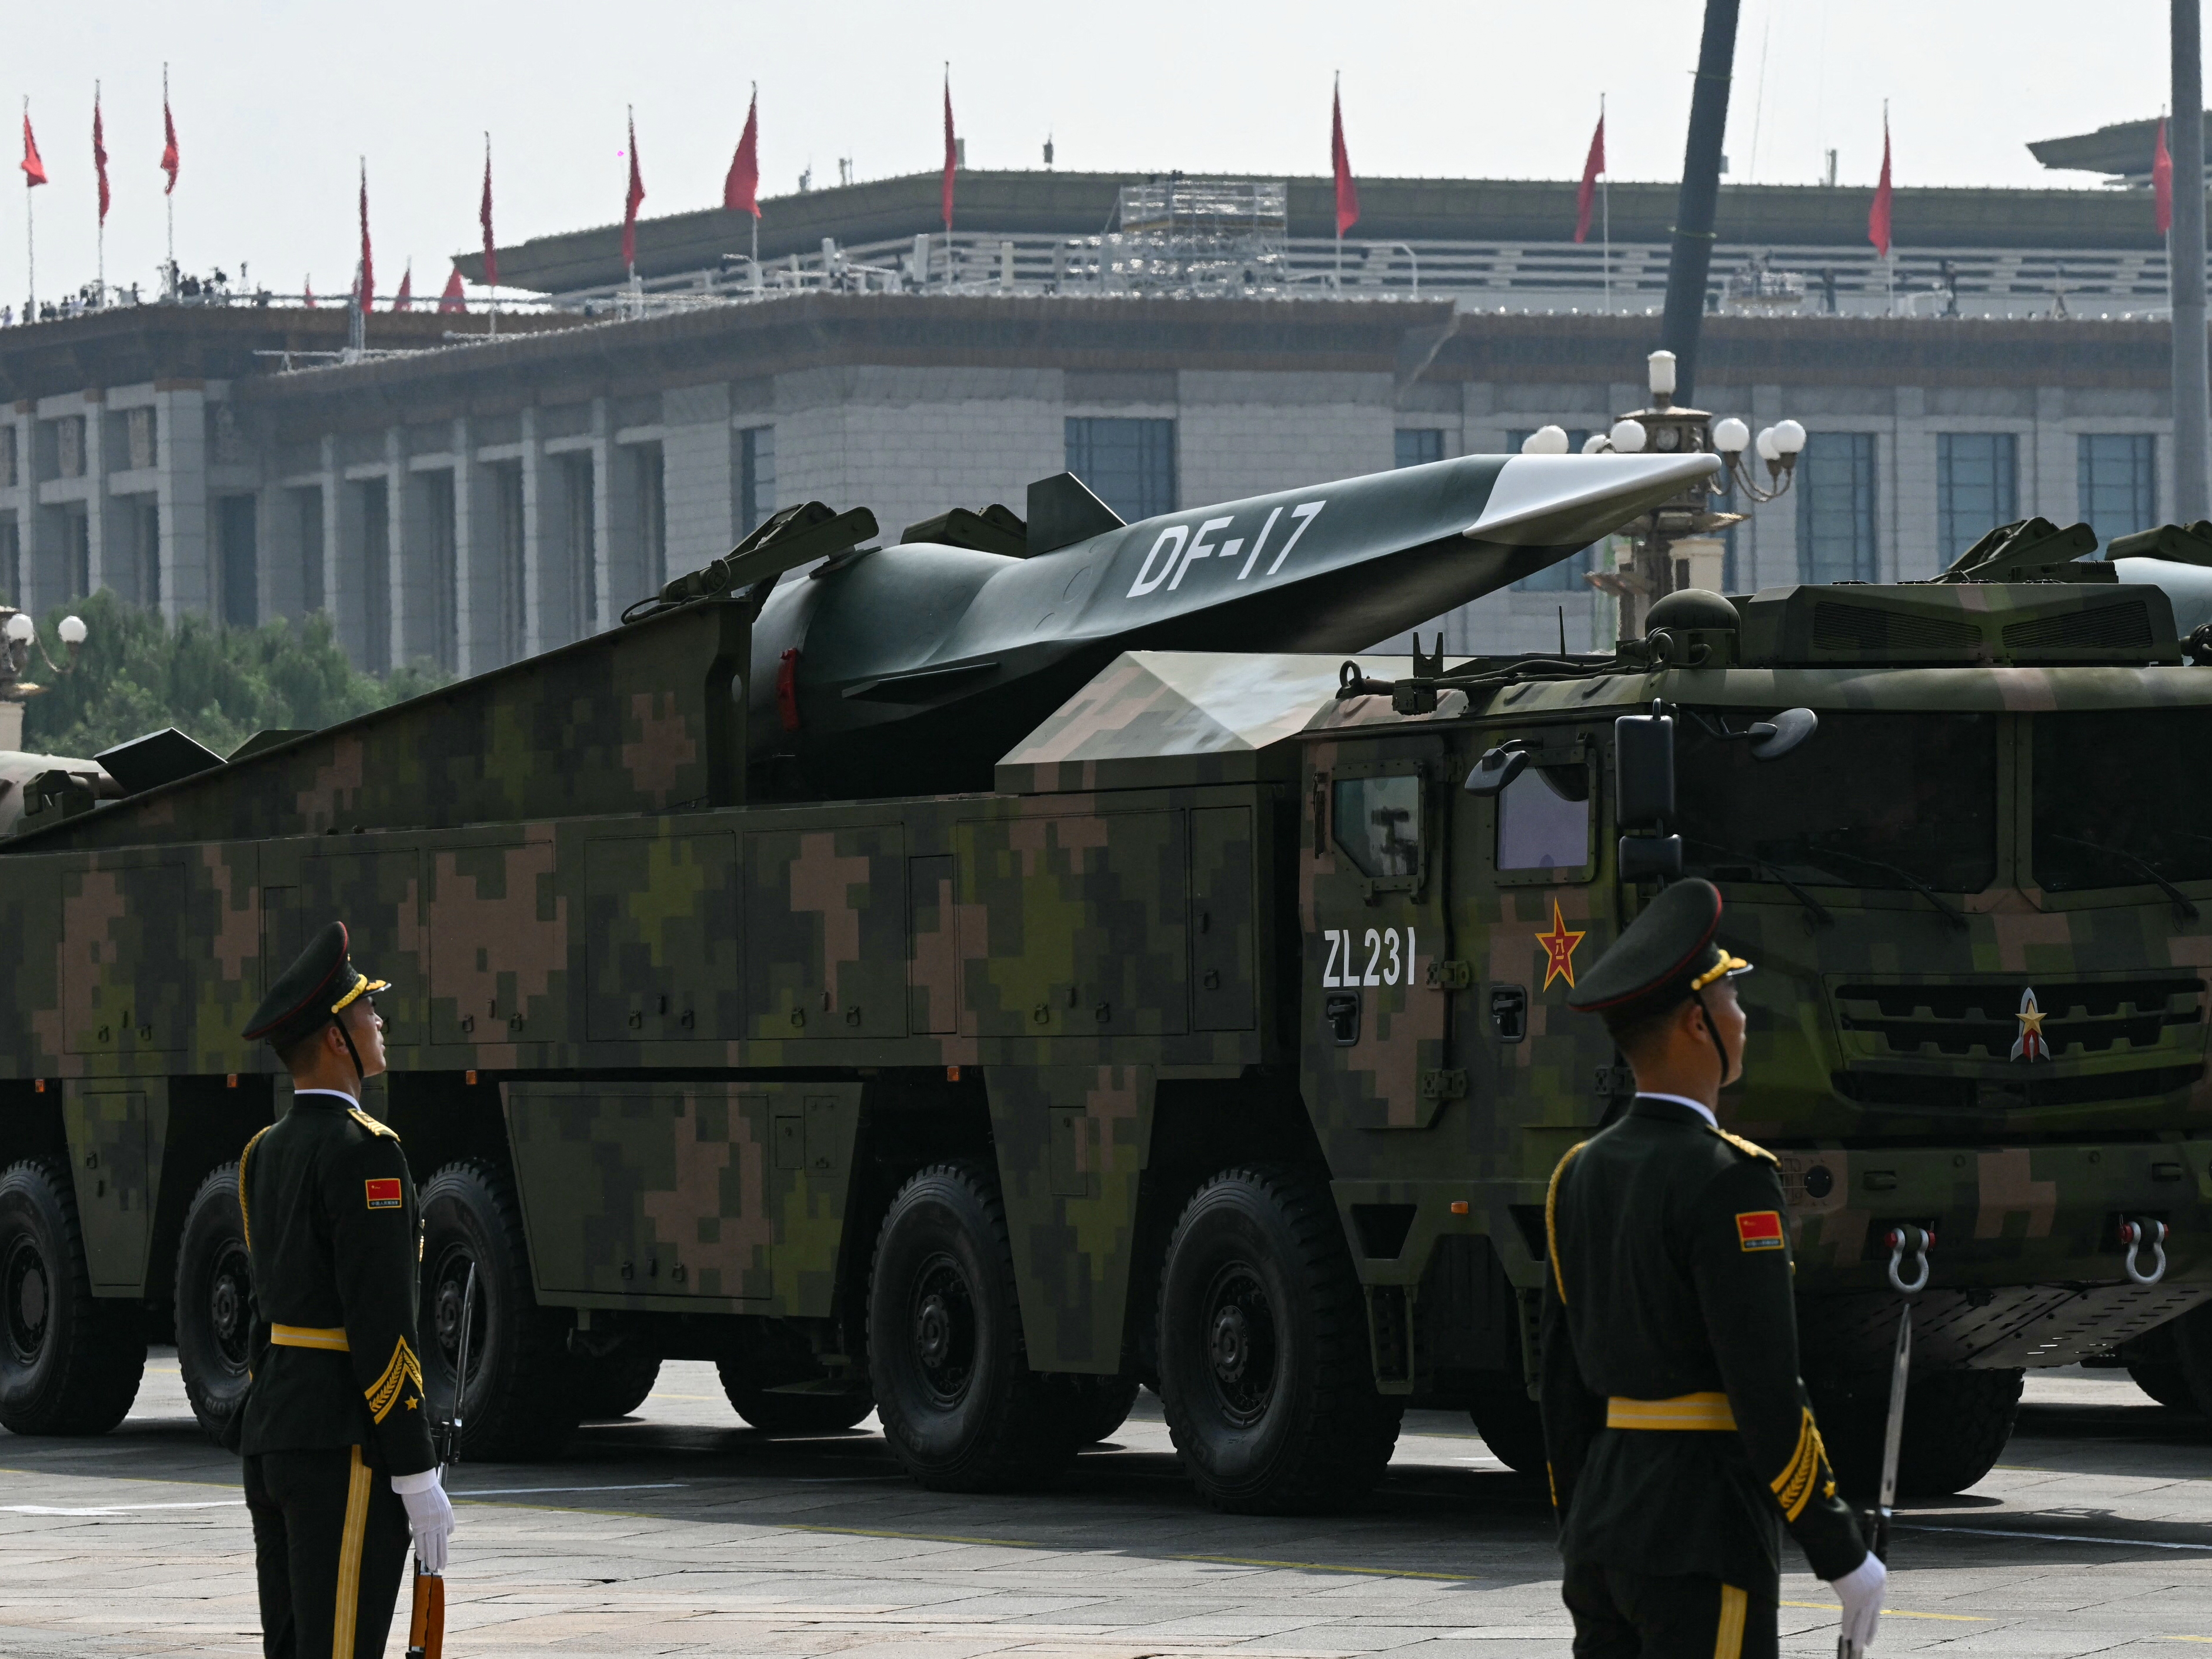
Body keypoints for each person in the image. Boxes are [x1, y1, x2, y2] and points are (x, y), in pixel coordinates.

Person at [1540, 878, 1886, 1657]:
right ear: (1698, 1023)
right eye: (1731, 999)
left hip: (1601, 1531)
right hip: (1700, 1528)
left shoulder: (1577, 1174)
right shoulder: (1729, 1178)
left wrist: (1580, 1525)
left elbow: (1561, 1391)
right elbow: (1765, 1389)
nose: (1743, 1018)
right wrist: (1840, 1550)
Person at [235, 921, 456, 1658]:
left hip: (274, 1434)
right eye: (366, 1010)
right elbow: (382, 1323)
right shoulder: (368, 1154)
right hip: (342, 1444)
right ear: (336, 1037)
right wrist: (415, 1465)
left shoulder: (262, 1153)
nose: (378, 1020)